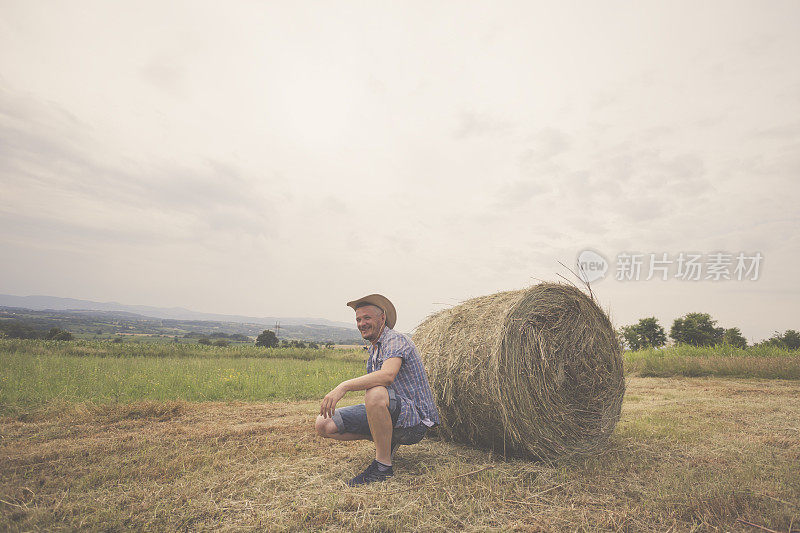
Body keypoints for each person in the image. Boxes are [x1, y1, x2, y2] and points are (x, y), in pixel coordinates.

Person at [315, 294, 440, 486]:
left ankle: (383, 467)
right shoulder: (374, 351)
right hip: (393, 414)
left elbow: (387, 376)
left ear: (382, 318)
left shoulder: (396, 339)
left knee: (375, 393)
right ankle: (386, 441)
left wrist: (343, 386)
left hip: (414, 423)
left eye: (367, 318)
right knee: (323, 424)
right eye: (358, 319)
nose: (361, 323)